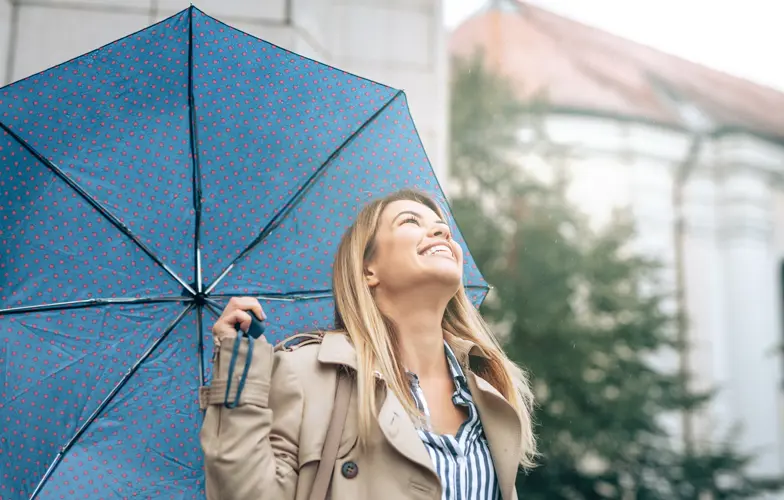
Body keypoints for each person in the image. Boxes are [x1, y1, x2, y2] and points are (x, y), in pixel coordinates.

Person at [200, 188, 536, 500]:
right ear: (367, 271)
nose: (442, 233)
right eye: (410, 221)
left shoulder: (492, 391)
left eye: (442, 227)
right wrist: (236, 375)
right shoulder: (307, 375)